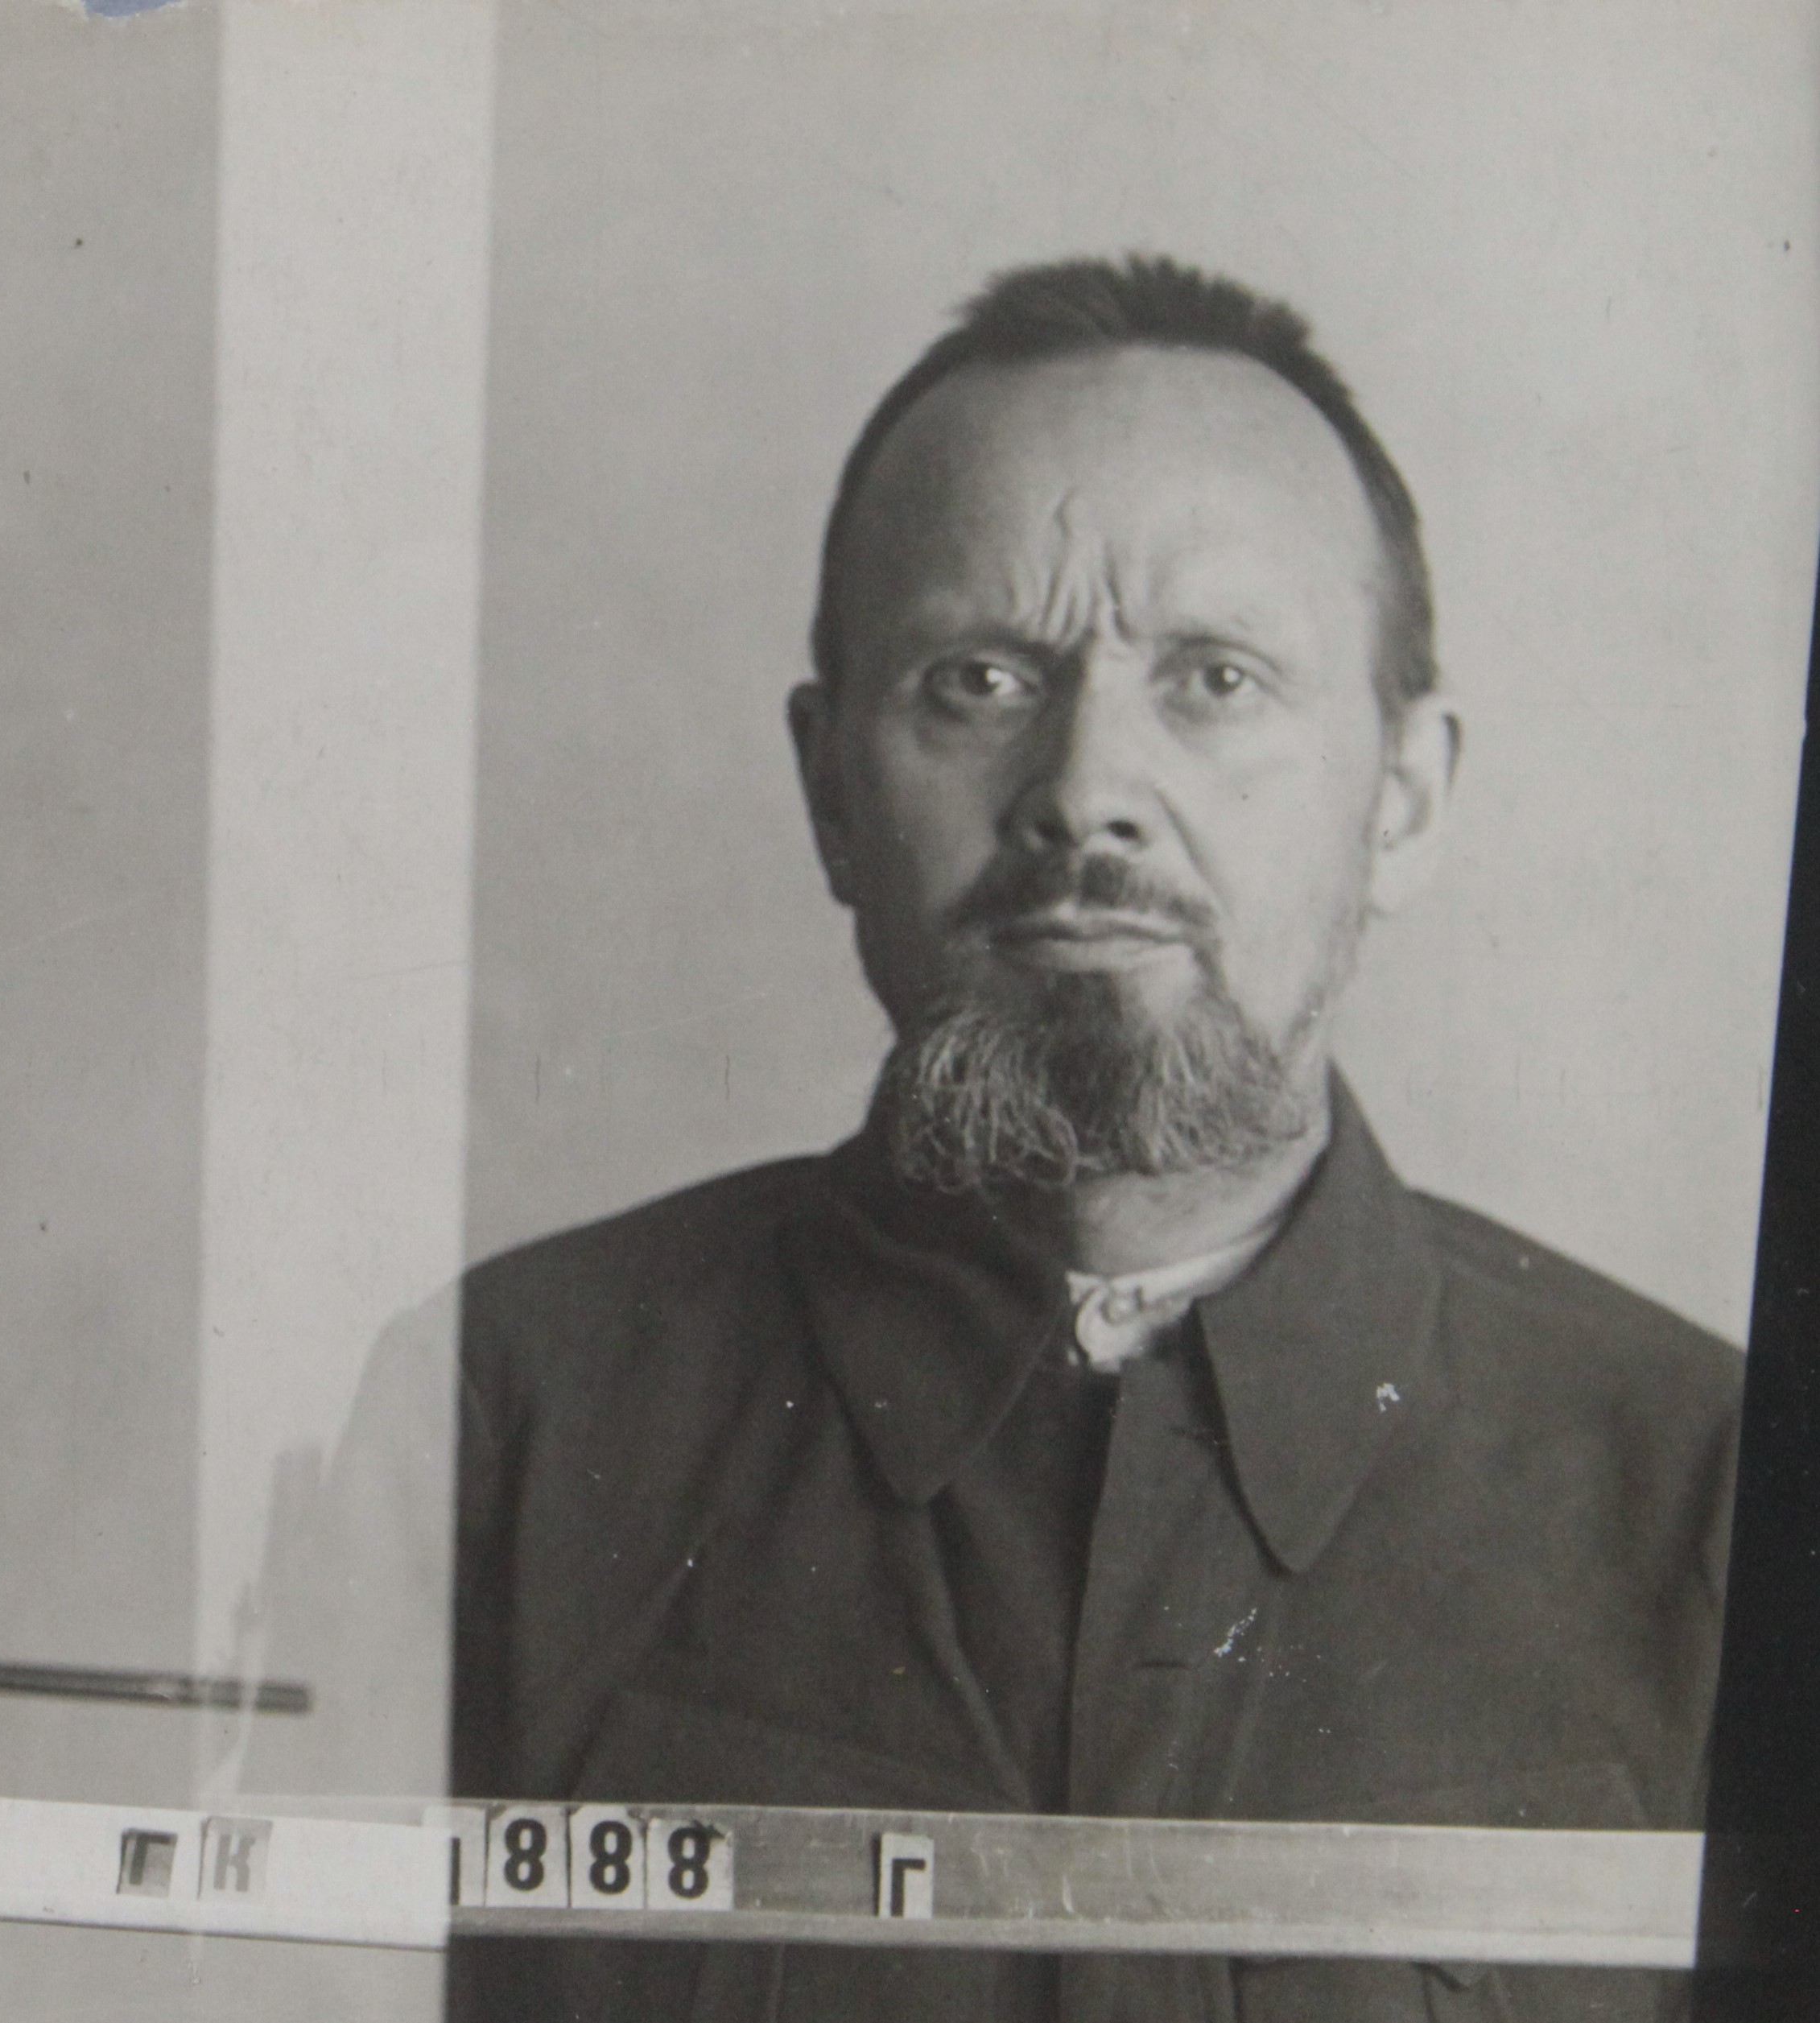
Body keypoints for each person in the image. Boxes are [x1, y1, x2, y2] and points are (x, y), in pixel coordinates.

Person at [447, 256, 1741, 2021]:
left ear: (1403, 797)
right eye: (978, 678)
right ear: (827, 788)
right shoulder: (500, 1427)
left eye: (1214, 677)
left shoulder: (1713, 1497)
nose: (1082, 790)